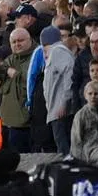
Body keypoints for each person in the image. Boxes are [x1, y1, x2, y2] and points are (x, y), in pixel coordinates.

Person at [41, 24, 76, 154]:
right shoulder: (55, 52)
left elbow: (69, 75)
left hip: (60, 110)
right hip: (56, 110)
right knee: (61, 143)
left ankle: (69, 170)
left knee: (64, 145)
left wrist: (63, 103)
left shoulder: (58, 51)